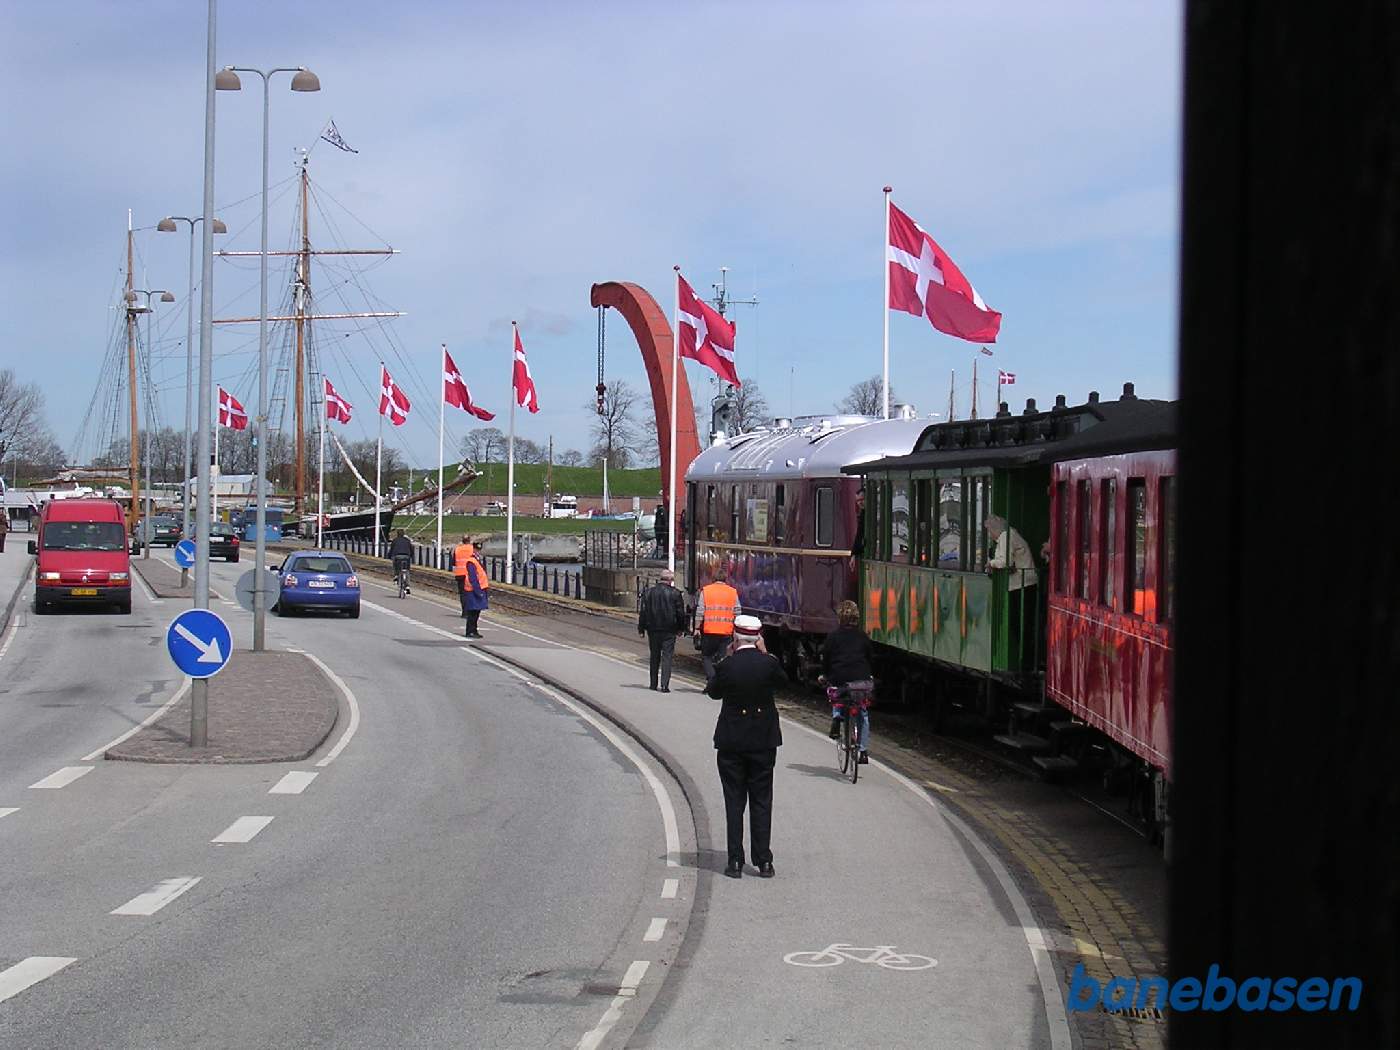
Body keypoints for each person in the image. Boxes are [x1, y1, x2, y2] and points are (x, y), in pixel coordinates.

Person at [706, 614, 785, 879]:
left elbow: (713, 691)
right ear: (759, 637)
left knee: (734, 801)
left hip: (732, 741)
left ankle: (735, 861)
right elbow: (782, 684)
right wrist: (767, 655)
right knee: (762, 801)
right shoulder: (769, 664)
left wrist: (726, 659)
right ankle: (763, 861)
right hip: (763, 742)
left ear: (734, 637)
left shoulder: (728, 665)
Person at [820, 600, 875, 763]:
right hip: (861, 678)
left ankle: (837, 716)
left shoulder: (833, 637)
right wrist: (869, 674)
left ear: (840, 618)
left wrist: (824, 675)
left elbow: (826, 659)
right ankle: (863, 751)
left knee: (837, 696)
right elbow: (869, 657)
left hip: (840, 676)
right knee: (863, 712)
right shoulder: (863, 636)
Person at [638, 568, 687, 692]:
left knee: (654, 656)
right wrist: (681, 628)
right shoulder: (675, 593)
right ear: (670, 580)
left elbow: (643, 612)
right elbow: (680, 613)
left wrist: (641, 628)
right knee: (667, 657)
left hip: (653, 629)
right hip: (669, 630)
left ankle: (653, 684)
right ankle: (664, 685)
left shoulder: (648, 592)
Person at [695, 566, 740, 688]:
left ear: (713, 578)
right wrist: (736, 630)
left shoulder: (706, 591)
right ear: (725, 579)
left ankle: (712, 679)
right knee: (722, 659)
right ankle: (720, 684)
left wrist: (696, 628)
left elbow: (700, 611)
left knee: (706, 657)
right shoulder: (732, 592)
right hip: (726, 631)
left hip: (709, 630)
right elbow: (737, 612)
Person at [453, 534, 490, 636]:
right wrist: (478, 590)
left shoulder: (458, 549)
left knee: (474, 609)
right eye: (477, 550)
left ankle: (472, 629)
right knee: (473, 611)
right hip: (473, 587)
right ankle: (470, 630)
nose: (478, 551)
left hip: (461, 575)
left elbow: (454, 562)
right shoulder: (472, 560)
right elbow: (473, 577)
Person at [388, 529, 414, 594]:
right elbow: (411, 550)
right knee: (407, 570)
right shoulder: (408, 541)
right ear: (403, 534)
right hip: (406, 557)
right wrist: (411, 556)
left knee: (395, 565)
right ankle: (407, 586)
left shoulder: (395, 540)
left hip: (397, 556)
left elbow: (391, 550)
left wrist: (389, 556)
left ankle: (396, 576)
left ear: (397, 534)